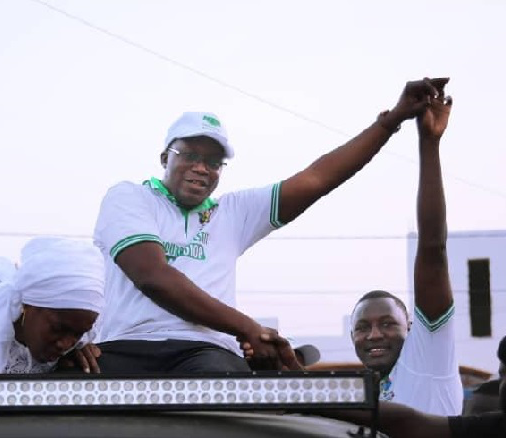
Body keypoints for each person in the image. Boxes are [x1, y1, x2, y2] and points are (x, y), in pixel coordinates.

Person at [93, 77, 447, 374]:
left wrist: (390, 121)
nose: (202, 168)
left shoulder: (231, 213)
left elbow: (317, 179)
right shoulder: (129, 197)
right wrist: (247, 328)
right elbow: (153, 277)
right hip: (128, 346)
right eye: (190, 155)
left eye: (214, 162)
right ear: (164, 157)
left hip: (205, 353)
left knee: (228, 382)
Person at [348, 87, 462, 415]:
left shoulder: (427, 356)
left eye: (387, 324)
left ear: (411, 328)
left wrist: (429, 143)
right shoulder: (368, 392)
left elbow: (433, 249)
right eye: (362, 327)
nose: (374, 335)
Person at [308, 315, 506, 438]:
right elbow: (408, 422)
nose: (375, 335)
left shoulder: (505, 426)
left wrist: (309, 395)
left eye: (503, 376)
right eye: (362, 327)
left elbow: (409, 423)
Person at [0, 237, 105, 374]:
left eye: (78, 334)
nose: (66, 345)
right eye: (57, 329)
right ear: (27, 305)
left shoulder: (79, 339)